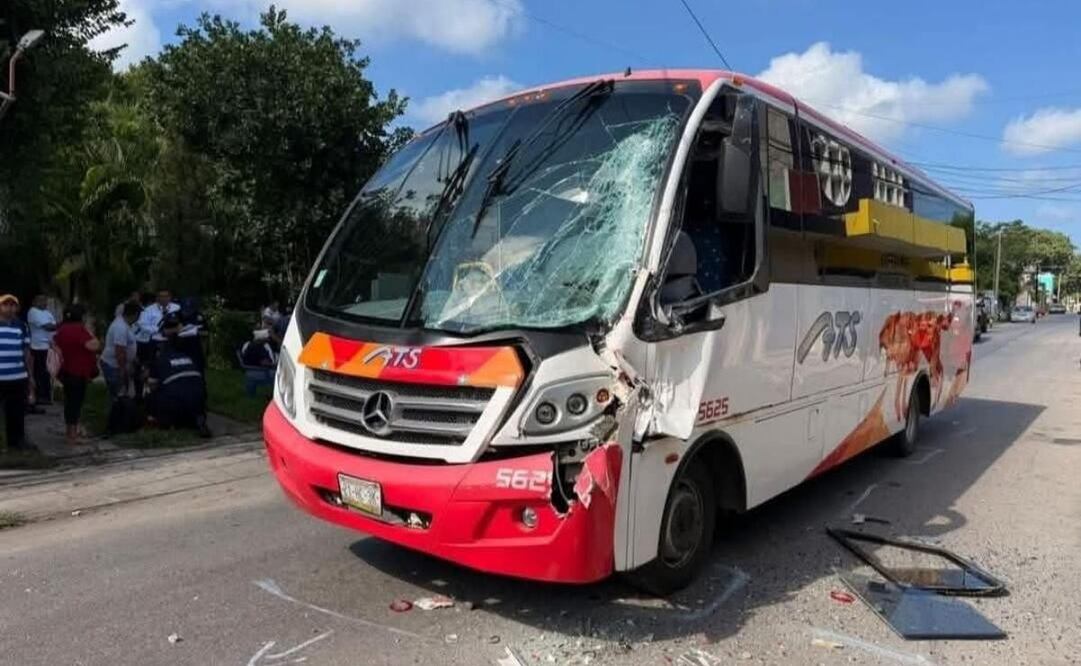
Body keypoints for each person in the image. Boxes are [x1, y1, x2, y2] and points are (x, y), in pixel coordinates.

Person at [146, 313, 211, 438]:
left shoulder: (160, 360)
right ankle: (196, 420)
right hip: (198, 399)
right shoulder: (189, 357)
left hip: (174, 401)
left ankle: (163, 421)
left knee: (152, 396)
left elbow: (152, 385)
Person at [52, 304, 101, 444]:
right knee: (75, 403)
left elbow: (55, 343)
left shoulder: (62, 329)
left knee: (70, 402)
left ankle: (70, 432)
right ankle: (72, 436)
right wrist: (91, 332)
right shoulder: (79, 330)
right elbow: (94, 345)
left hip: (65, 370)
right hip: (77, 372)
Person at [0, 294, 33, 451]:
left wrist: (30, 375)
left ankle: (17, 442)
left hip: (18, 376)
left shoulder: (21, 326)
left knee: (17, 411)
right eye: (6, 304)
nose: (9, 308)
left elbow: (26, 352)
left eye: (13, 305)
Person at [133, 290, 179, 402]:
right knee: (150, 367)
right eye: (161, 296)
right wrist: (159, 330)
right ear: (157, 298)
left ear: (170, 297)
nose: (164, 299)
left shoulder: (177, 308)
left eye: (166, 296)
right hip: (153, 343)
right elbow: (143, 324)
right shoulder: (149, 310)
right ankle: (143, 395)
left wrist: (173, 331)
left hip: (172, 342)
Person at [101, 301, 140, 407]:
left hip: (117, 365)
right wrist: (123, 369)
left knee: (120, 394)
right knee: (117, 396)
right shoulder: (120, 327)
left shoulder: (124, 323)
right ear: (135, 314)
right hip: (114, 366)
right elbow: (120, 350)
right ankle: (115, 417)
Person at [27, 294, 57, 408]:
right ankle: (40, 396)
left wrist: (55, 326)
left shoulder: (47, 313)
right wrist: (56, 325)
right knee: (39, 373)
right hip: (38, 346)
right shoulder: (33, 311)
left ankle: (46, 395)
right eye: (41, 300)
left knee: (48, 372)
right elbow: (48, 327)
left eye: (45, 300)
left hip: (49, 346)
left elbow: (53, 325)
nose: (44, 303)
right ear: (35, 302)